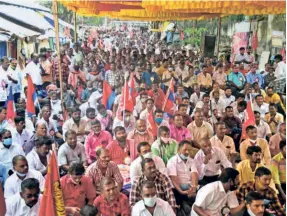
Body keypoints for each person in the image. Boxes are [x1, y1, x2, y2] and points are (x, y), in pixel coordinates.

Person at [167, 140, 198, 208]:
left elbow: (194, 175)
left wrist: (194, 187)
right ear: (178, 149)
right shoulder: (172, 161)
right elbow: (174, 179)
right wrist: (182, 192)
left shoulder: (191, 161)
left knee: (203, 194)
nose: (187, 152)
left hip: (190, 187)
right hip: (178, 189)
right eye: (185, 150)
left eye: (189, 150)